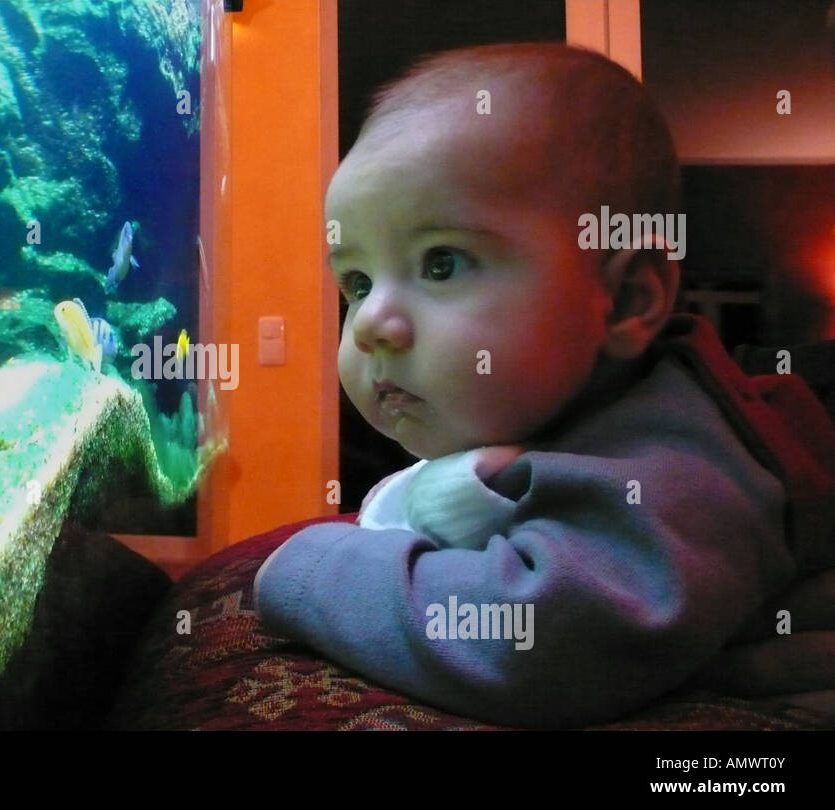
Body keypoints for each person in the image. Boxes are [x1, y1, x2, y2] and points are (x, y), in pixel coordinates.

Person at [253, 43, 835, 728]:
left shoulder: (681, 461)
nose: (372, 321)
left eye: (442, 262)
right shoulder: (577, 413)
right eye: (356, 281)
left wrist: (314, 567)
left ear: (621, 303)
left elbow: (535, 637)